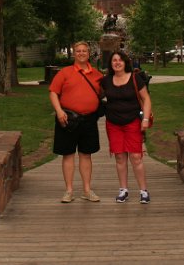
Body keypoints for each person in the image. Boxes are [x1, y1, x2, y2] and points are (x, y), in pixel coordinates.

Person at [48, 41, 104, 203]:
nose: (81, 53)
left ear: (88, 54)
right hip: (67, 119)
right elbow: (53, 92)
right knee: (68, 155)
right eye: (78, 51)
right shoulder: (64, 73)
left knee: (86, 154)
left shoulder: (97, 75)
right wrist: (59, 111)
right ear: (74, 53)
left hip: (89, 120)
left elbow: (103, 94)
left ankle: (87, 190)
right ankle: (69, 191)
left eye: (84, 51)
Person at [101, 50, 153, 204]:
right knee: (119, 157)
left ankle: (143, 191)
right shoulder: (106, 81)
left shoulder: (135, 78)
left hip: (133, 122)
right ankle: (123, 190)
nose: (117, 63)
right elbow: (95, 96)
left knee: (136, 157)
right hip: (113, 124)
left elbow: (146, 99)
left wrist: (145, 119)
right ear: (110, 64)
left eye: (120, 60)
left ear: (125, 63)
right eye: (114, 60)